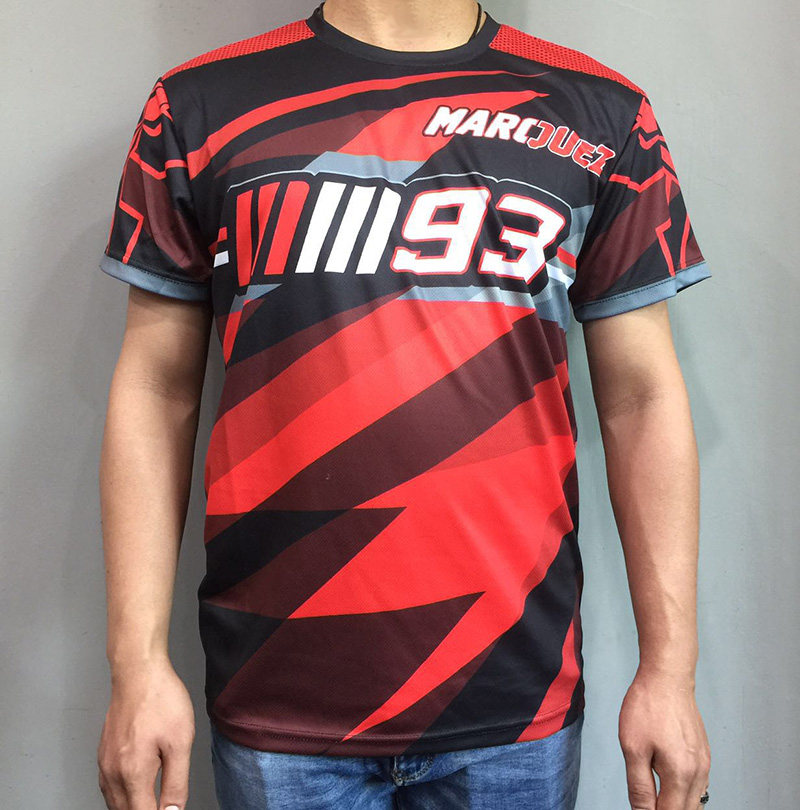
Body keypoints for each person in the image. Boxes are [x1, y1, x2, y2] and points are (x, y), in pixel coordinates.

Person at [95, 1, 713, 808]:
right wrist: (136, 666)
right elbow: (155, 389)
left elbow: (641, 398)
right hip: (278, 693)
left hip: (512, 695)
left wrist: (669, 671)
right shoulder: (199, 106)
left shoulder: (599, 111)